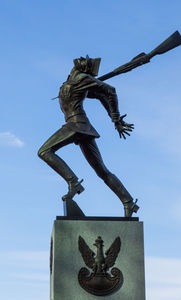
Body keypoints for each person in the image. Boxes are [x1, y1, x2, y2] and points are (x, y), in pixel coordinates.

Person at [38, 55, 139, 217]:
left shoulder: (83, 79)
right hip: (81, 128)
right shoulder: (74, 82)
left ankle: (73, 182)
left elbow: (110, 91)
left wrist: (116, 119)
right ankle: (128, 201)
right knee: (102, 171)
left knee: (44, 151)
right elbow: (99, 95)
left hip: (76, 125)